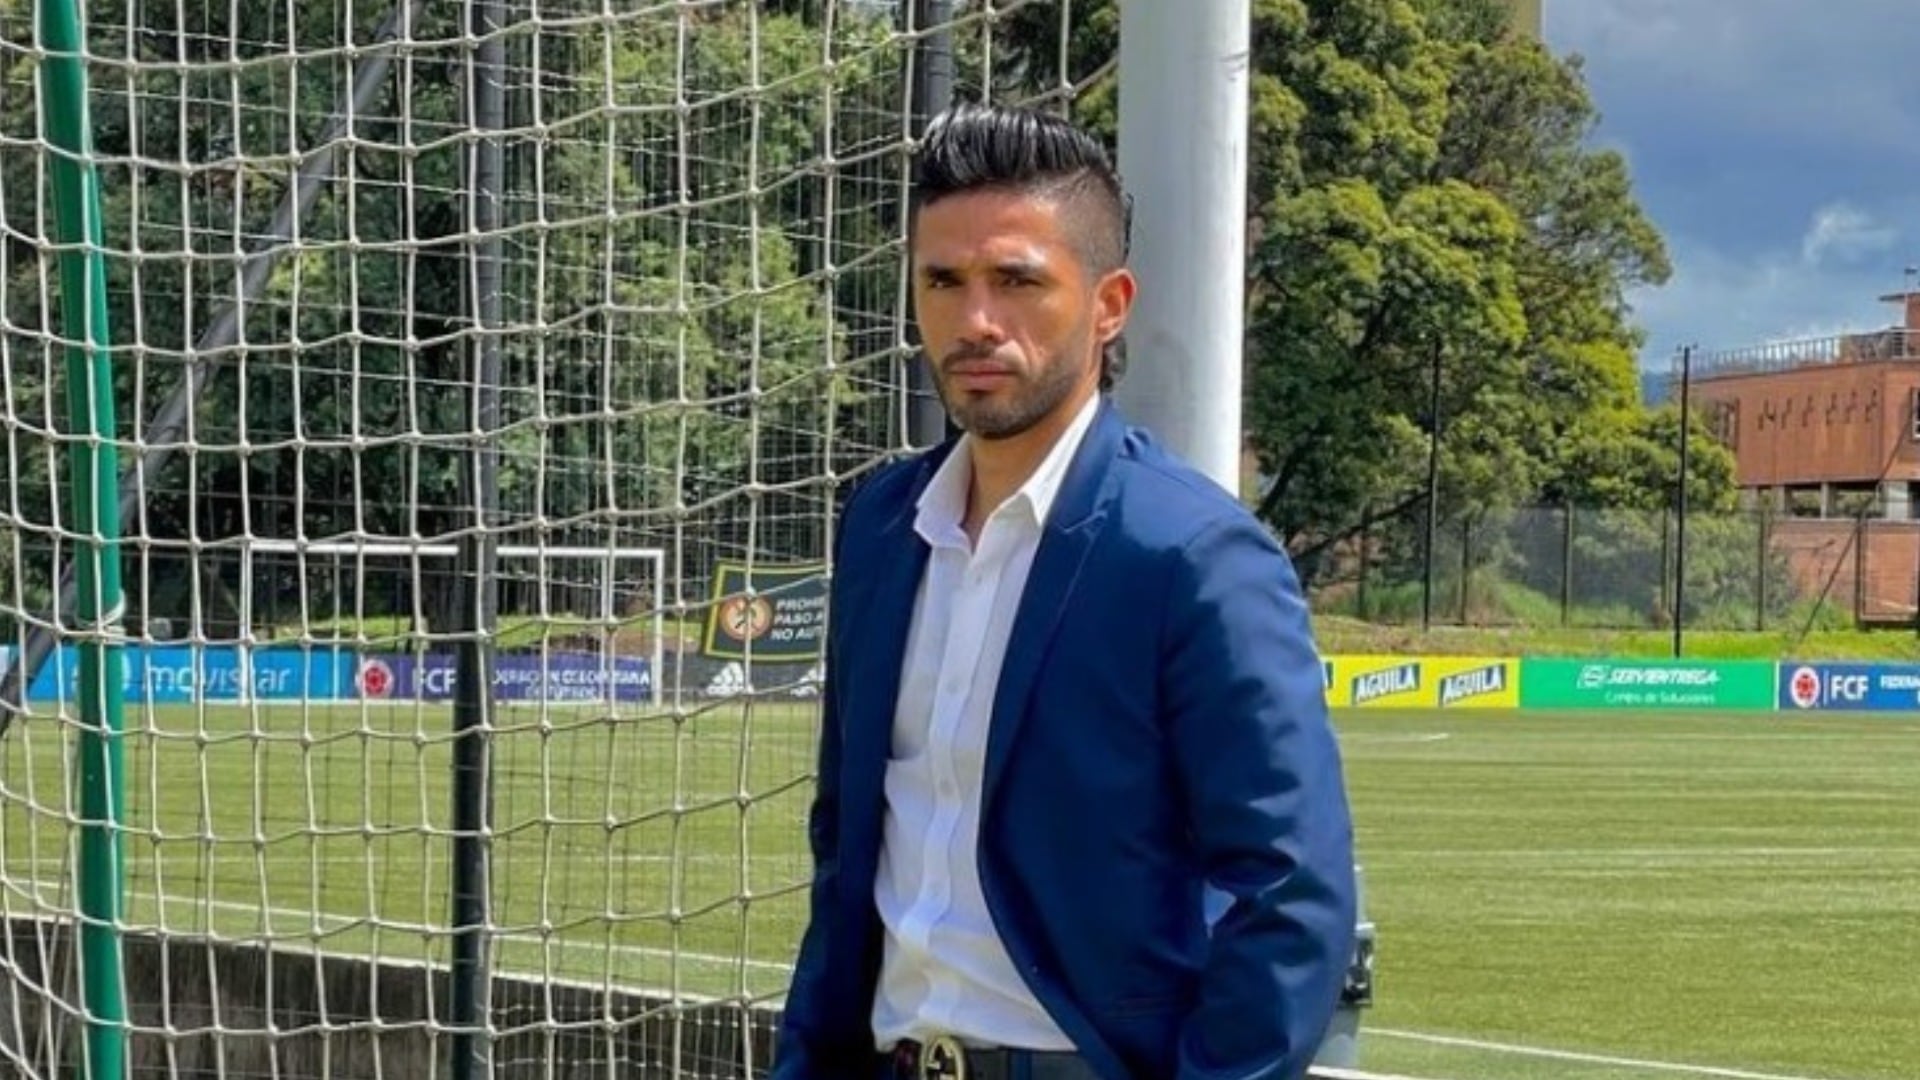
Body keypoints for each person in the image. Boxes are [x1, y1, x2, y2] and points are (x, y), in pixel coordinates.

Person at [770, 102, 1357, 1080]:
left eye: (1017, 281)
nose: (975, 321)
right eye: (943, 281)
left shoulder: (1193, 557)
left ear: (1109, 303)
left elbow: (1291, 894)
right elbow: (846, 852)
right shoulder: (880, 529)